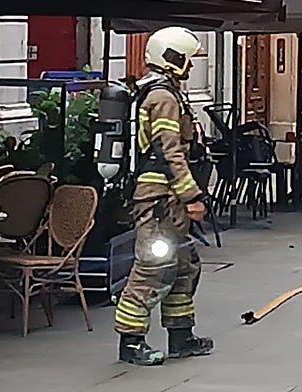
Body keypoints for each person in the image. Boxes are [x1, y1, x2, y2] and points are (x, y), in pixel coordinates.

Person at [115, 26, 214, 366]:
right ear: (173, 58)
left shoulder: (168, 93)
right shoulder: (163, 98)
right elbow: (168, 152)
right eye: (188, 59)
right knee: (153, 267)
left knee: (185, 265)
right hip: (159, 200)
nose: (191, 66)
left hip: (169, 200)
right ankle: (131, 342)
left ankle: (181, 336)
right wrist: (192, 197)